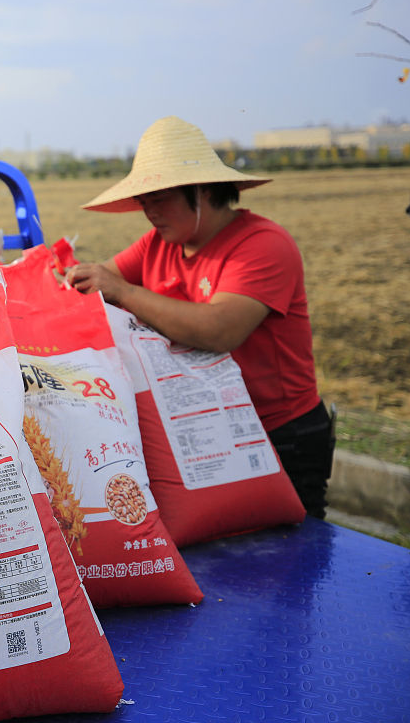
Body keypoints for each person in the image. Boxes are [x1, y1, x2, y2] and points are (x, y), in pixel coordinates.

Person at [64, 115, 334, 518]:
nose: (150, 212)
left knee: (289, 553)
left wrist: (124, 292)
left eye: (161, 198)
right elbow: (102, 282)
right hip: (204, 428)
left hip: (278, 433)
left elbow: (220, 329)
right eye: (144, 200)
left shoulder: (262, 245)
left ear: (204, 190)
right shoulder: (158, 245)